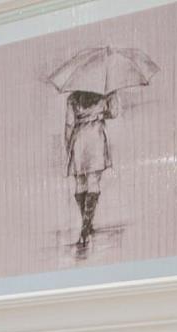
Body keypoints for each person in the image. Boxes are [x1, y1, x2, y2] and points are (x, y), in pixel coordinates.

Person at [64, 88, 116, 254]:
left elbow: (69, 124)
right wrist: (100, 113)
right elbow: (114, 113)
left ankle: (86, 226)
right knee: (93, 181)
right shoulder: (106, 92)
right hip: (97, 137)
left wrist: (68, 147)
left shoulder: (73, 97)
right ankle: (86, 229)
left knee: (80, 183)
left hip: (79, 139)